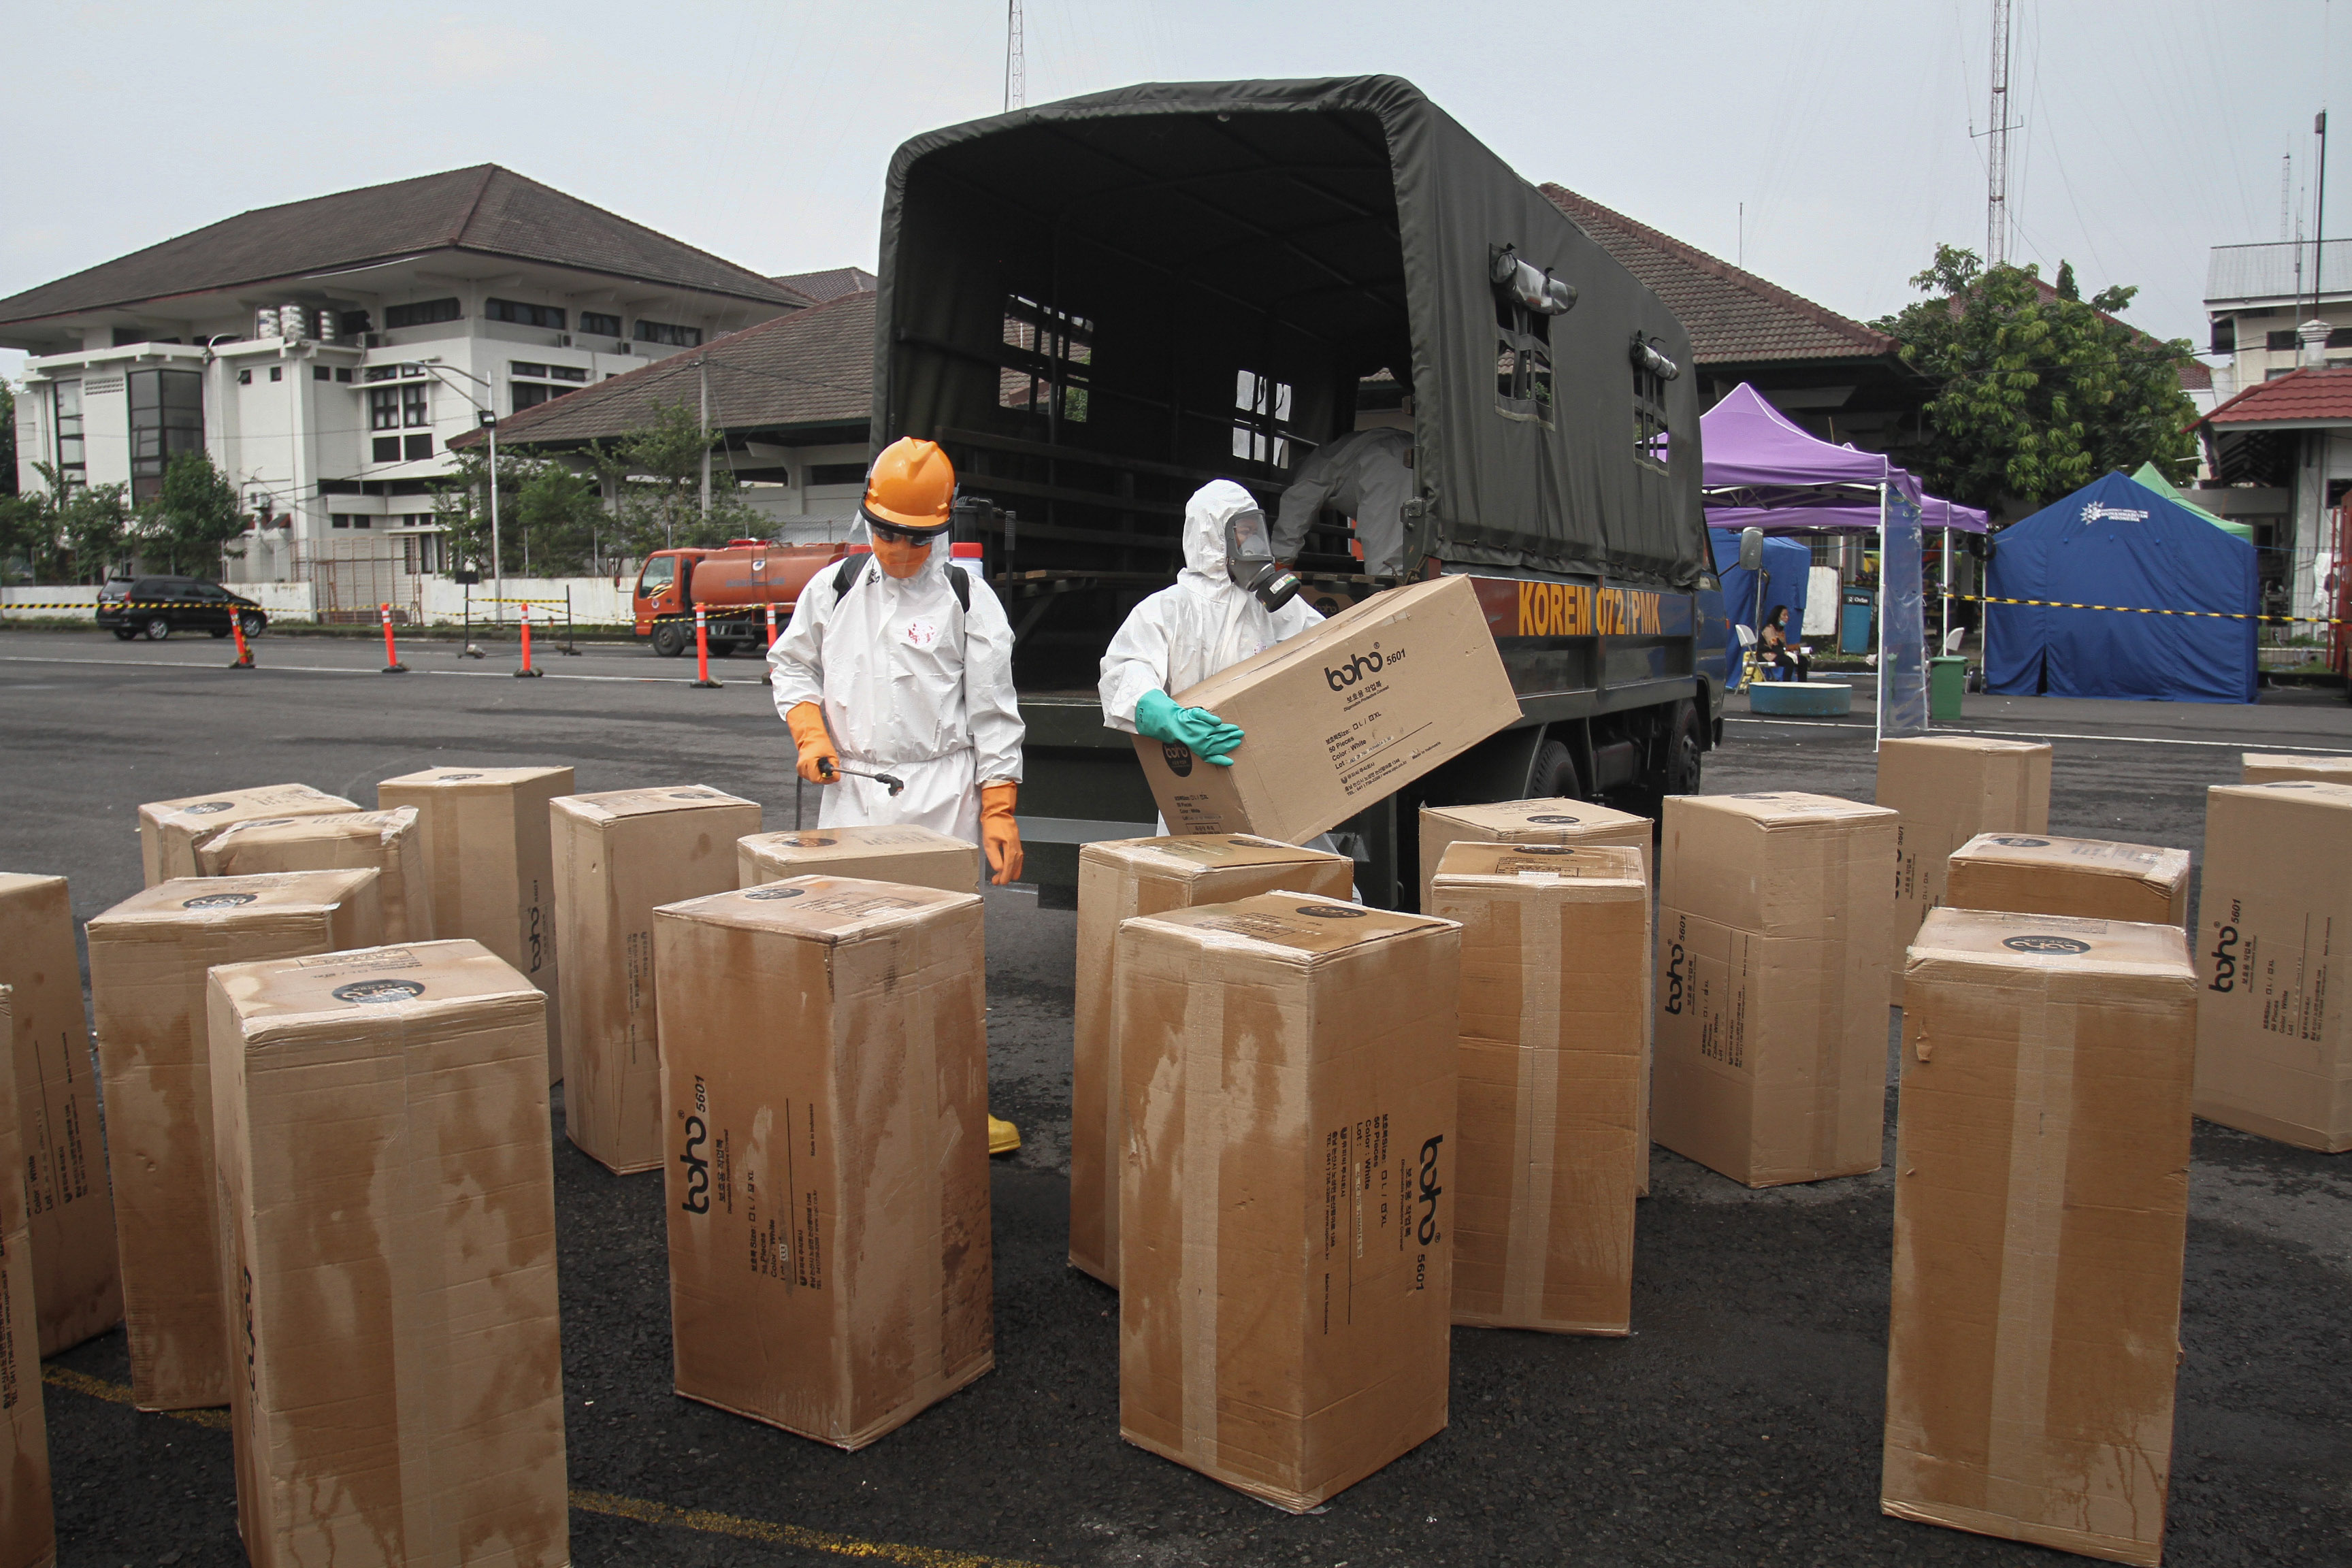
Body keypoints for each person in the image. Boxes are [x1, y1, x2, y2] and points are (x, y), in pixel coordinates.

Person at [768, 436, 1026, 1154]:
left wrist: (998, 808)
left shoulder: (968, 600)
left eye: (913, 538)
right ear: (868, 521)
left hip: (942, 793)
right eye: (885, 532)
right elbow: (791, 666)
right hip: (852, 792)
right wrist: (810, 734)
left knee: (945, 958)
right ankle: (859, 1100)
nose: (897, 548)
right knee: (851, 949)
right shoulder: (835, 588)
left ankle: (955, 1103)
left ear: (939, 531)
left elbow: (994, 712)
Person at [1100, 478, 1323, 790]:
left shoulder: (1273, 603)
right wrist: (1173, 720)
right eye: (1244, 532)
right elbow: (1124, 673)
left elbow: (1325, 647)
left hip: (1273, 767)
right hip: (1198, 774)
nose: (1254, 544)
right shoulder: (1169, 608)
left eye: (1256, 532)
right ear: (1213, 537)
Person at [1271, 425, 1413, 576]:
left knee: (1387, 567)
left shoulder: (1308, 474)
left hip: (1386, 461)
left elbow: (1295, 510)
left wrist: (1282, 564)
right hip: (1416, 450)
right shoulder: (1333, 456)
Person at [1759, 604, 1811, 683]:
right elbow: (1774, 647)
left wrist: (1794, 648)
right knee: (1789, 661)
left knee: (1803, 660)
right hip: (1768, 654)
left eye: (1787, 615)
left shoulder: (1781, 631)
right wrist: (1786, 653)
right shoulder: (1769, 629)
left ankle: (1803, 684)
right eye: (1784, 615)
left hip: (1779, 653)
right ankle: (1786, 684)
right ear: (1777, 616)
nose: (1787, 618)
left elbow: (1784, 647)